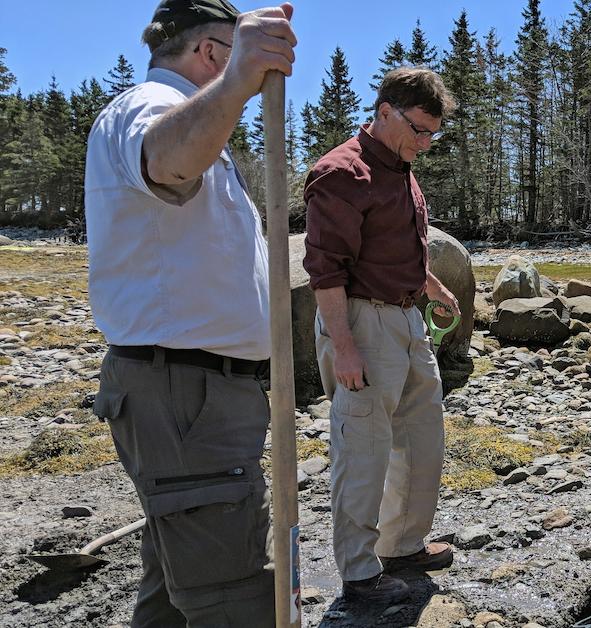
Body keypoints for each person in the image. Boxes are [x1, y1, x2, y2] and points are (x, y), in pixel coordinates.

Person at [84, 0, 297, 624]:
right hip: (185, 393)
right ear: (211, 53)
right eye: (233, 59)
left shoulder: (202, 128)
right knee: (228, 596)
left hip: (197, 393)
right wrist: (237, 84)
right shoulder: (148, 107)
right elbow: (166, 161)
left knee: (175, 578)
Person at [303, 67, 460, 604]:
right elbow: (325, 270)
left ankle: (401, 545)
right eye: (420, 130)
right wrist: (344, 347)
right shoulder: (341, 172)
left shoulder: (403, 169)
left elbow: (399, 248)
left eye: (434, 134)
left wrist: (435, 287)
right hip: (360, 321)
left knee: (421, 438)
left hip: (408, 318)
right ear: (385, 110)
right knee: (364, 448)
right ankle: (359, 570)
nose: (426, 143)